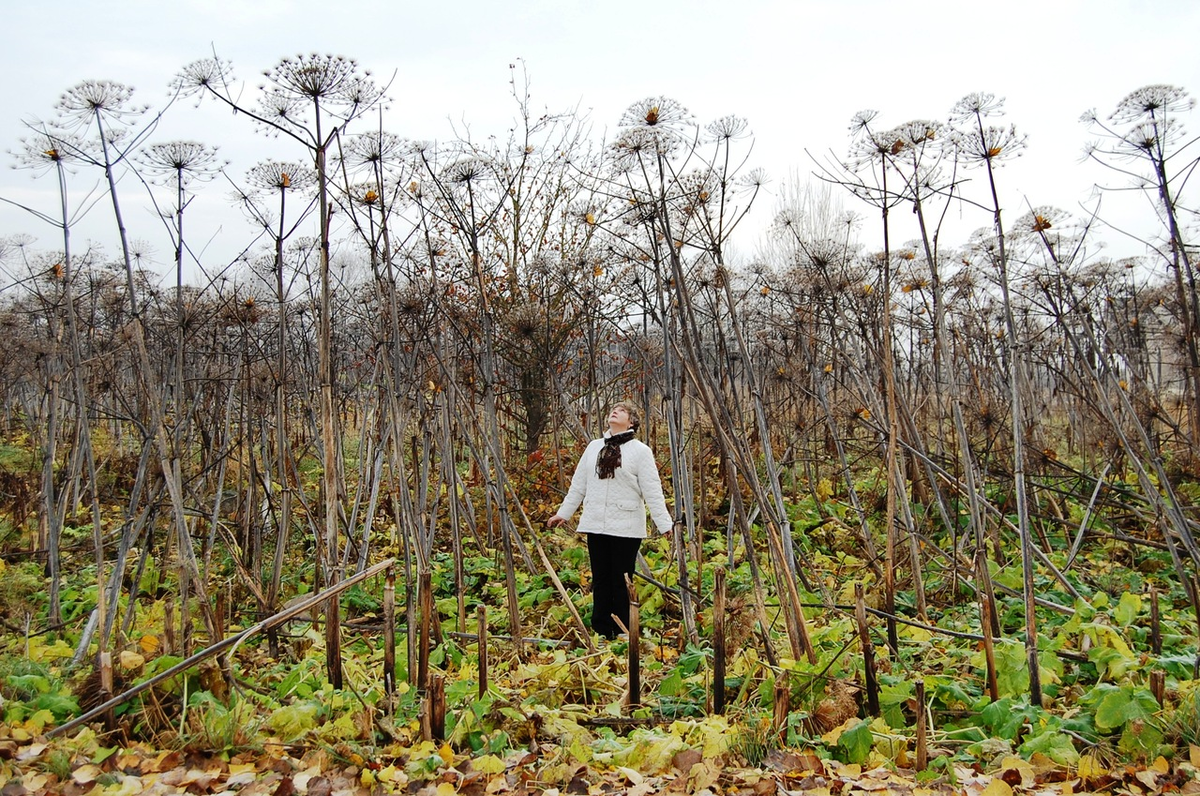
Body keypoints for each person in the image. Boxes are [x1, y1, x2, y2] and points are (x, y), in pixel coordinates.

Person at [547, 401, 673, 640]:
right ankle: (602, 629)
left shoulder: (640, 451)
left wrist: (664, 523)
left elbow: (652, 490)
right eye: (613, 410)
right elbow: (579, 485)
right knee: (601, 578)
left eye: (622, 411)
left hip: (626, 525)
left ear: (632, 421)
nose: (614, 412)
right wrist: (563, 513)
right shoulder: (594, 447)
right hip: (596, 523)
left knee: (621, 578)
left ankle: (624, 629)